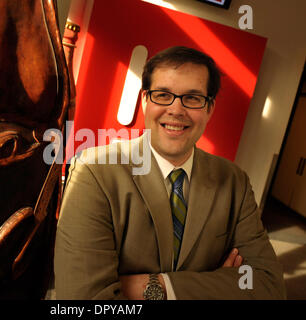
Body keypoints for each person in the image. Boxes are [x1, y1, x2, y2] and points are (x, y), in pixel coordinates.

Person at [54, 46, 286, 299]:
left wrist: (154, 287)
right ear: (145, 100)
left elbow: (268, 286)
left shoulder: (234, 182)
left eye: (193, 98)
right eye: (163, 95)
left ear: (210, 108)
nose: (176, 110)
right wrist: (218, 283)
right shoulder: (94, 171)